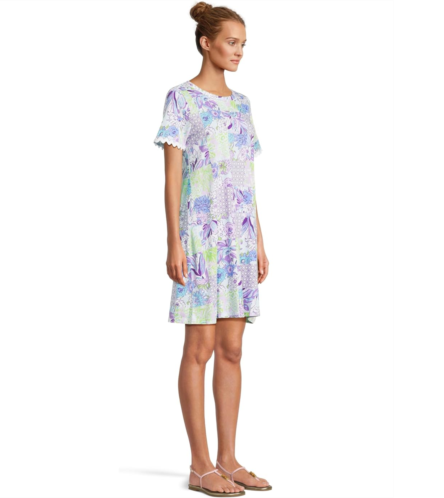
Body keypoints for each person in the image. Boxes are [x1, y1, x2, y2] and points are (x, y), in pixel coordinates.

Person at [153, 2, 271, 496]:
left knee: (232, 349)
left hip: (238, 241)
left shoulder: (242, 104)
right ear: (207, 42)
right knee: (198, 349)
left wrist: (259, 240)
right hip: (200, 239)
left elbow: (246, 176)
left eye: (243, 44)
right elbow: (172, 177)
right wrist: (174, 240)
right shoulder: (181, 99)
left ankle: (228, 458)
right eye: (231, 42)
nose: (239, 52)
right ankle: (200, 465)